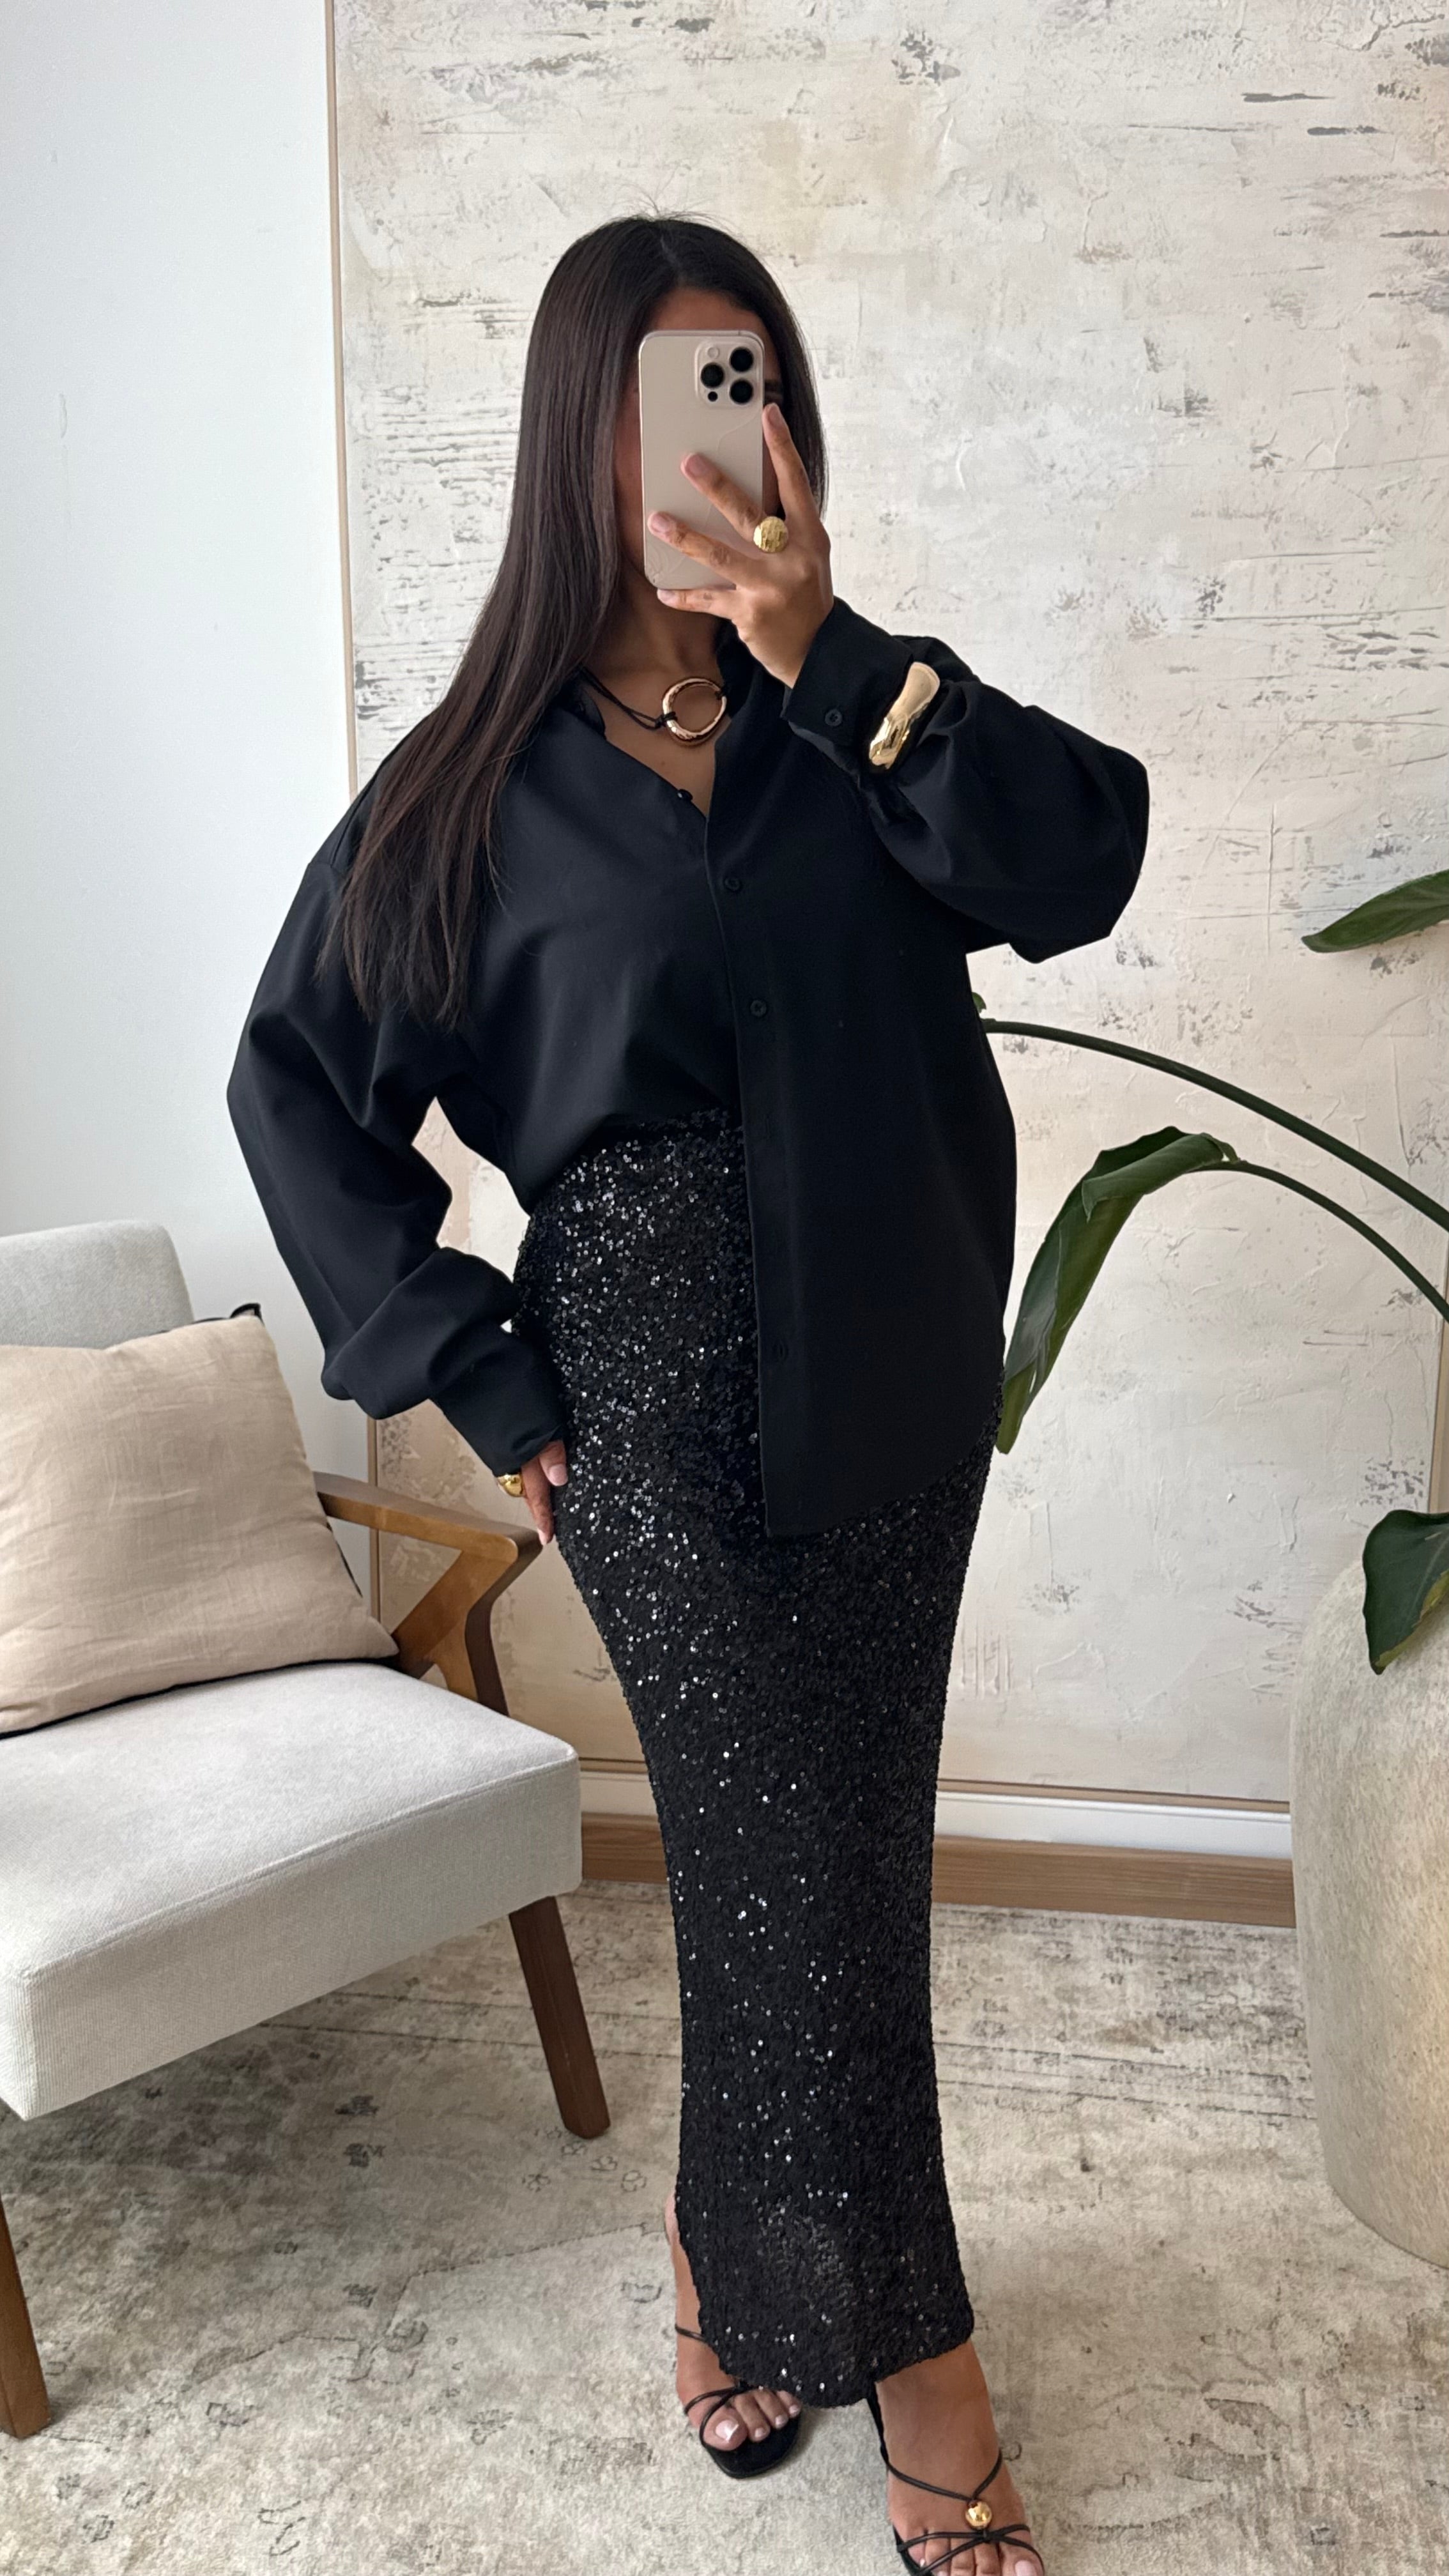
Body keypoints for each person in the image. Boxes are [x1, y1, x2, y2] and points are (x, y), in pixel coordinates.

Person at [227, 213, 1149, 2575]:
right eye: (664, 400)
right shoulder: (470, 790)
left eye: (746, 389)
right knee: (790, 1878)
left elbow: (1082, 862)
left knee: (819, 1861)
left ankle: (711, 2258)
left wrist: (830, 654)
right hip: (635, 1398)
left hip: (900, 1358)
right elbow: (295, 1089)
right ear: (581, 440)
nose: (712, 446)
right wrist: (469, 1360)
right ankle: (923, 2373)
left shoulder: (876, 727)